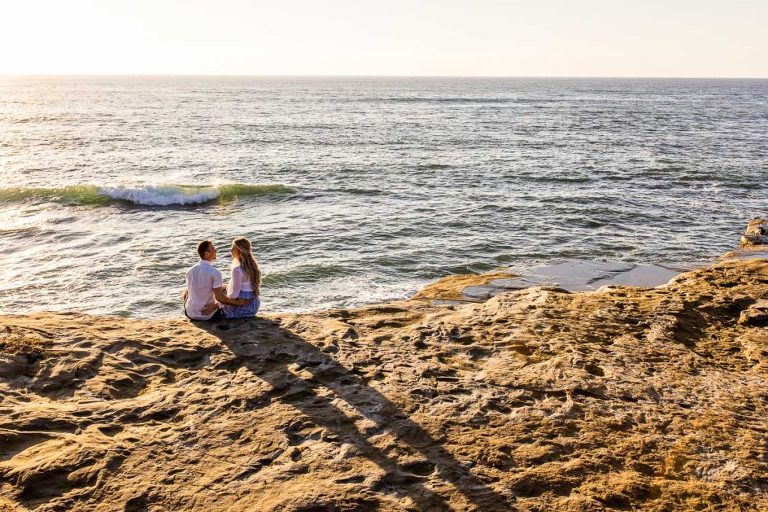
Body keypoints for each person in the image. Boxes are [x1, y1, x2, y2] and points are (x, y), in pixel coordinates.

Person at [183, 240, 250, 321]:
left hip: (190, 314)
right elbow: (220, 298)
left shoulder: (190, 271)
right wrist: (239, 303)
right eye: (213, 249)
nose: (216, 250)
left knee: (187, 291)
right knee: (226, 294)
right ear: (207, 253)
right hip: (208, 316)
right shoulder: (215, 272)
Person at [220, 237, 261, 319]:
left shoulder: (237, 270)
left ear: (240, 251)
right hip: (254, 306)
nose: (231, 251)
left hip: (242, 310)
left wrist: (220, 300)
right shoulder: (253, 266)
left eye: (233, 249)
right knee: (223, 287)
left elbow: (233, 295)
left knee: (218, 298)